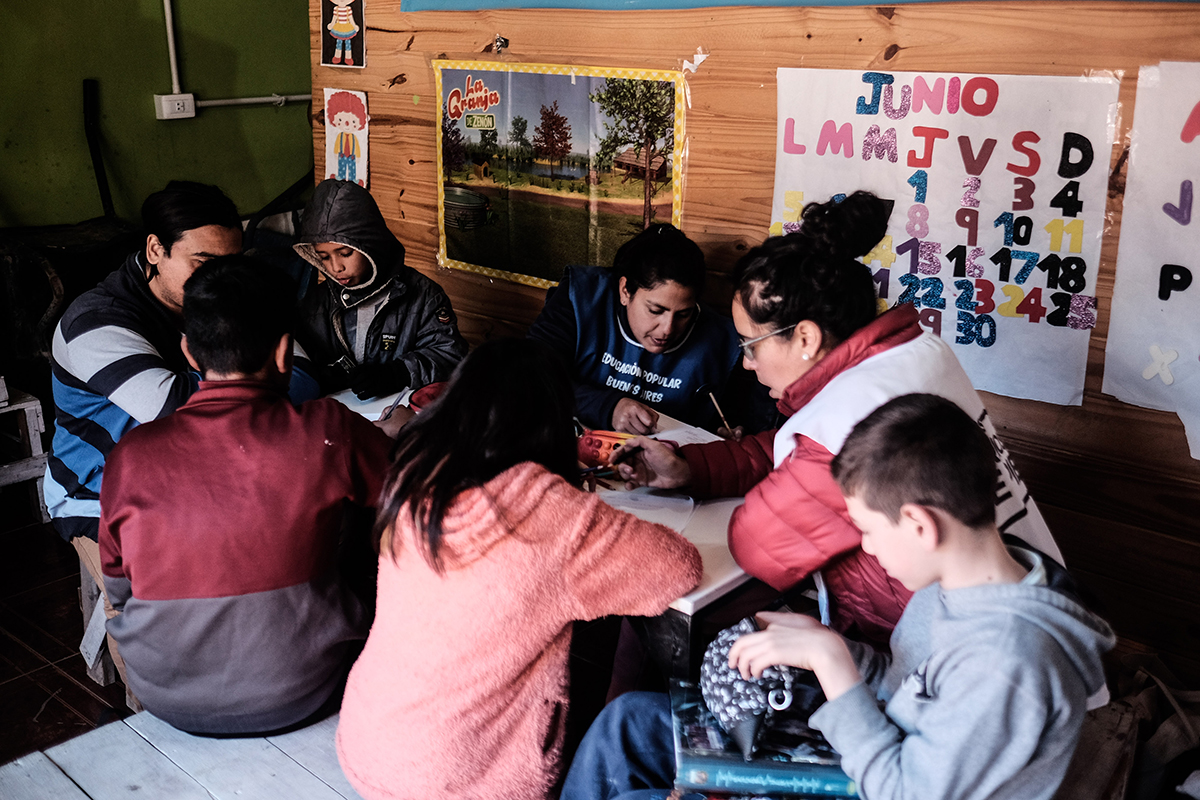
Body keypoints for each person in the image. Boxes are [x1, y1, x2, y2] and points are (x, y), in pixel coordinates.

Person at [562, 393, 1114, 800]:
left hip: (881, 786)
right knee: (630, 722)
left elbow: (906, 792)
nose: (866, 546)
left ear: (920, 525)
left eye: (868, 530)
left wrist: (835, 669)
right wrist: (837, 650)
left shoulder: (1011, 663)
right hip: (858, 761)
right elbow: (908, 688)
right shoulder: (955, 585)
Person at [615, 191, 1063, 648]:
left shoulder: (852, 421)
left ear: (805, 337)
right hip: (1024, 609)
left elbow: (759, 545)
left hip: (948, 658)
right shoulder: (909, 355)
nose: (747, 364)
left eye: (751, 345)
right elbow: (793, 446)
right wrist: (691, 467)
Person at [335, 338, 703, 800]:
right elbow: (678, 567)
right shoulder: (555, 516)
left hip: (369, 739)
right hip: (461, 777)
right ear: (554, 423)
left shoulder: (417, 475)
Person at [98, 255, 400, 736]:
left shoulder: (130, 455)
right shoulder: (327, 429)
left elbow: (120, 589)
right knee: (376, 530)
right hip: (304, 691)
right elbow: (417, 496)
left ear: (189, 354)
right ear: (285, 354)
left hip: (166, 696)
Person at [45, 180, 320, 693]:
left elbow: (301, 375)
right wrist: (261, 375)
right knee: (168, 598)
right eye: (201, 261)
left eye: (231, 262)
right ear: (155, 249)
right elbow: (180, 411)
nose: (219, 277)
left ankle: (253, 685)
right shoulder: (94, 323)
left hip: (201, 475)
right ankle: (156, 717)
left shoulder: (224, 290)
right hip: (98, 491)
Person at [528, 223, 771, 435]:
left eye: (684, 314)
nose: (667, 329)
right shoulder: (581, 298)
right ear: (625, 291)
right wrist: (607, 406)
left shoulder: (721, 338)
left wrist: (727, 439)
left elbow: (736, 419)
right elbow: (530, 376)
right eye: (655, 310)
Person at [293, 179, 467, 399]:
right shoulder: (316, 303)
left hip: (399, 414)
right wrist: (323, 375)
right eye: (324, 257)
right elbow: (298, 358)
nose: (336, 267)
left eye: (346, 253)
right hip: (338, 415)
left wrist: (399, 373)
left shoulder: (423, 296)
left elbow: (450, 355)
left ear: (370, 244)